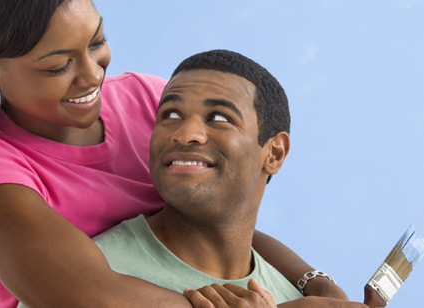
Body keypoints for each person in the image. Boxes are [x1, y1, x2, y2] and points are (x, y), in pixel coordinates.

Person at [0, 0, 343, 307]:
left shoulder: (148, 102)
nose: (92, 75)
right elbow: (82, 295)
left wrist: (314, 284)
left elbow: (223, 218)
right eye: (59, 65)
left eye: (96, 42)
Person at [85, 50, 369, 308]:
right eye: (171, 114)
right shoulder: (87, 276)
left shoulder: (299, 299)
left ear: (274, 153)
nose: (185, 134)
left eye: (219, 118)